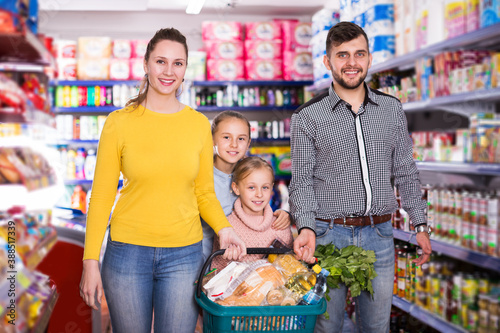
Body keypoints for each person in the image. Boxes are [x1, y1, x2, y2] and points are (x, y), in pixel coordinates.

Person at [79, 28, 246, 333]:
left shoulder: (197, 125)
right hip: (126, 253)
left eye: (178, 63)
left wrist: (225, 229)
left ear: (186, 68)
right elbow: (102, 195)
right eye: (161, 62)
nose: (169, 72)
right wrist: (90, 260)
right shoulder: (119, 122)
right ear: (146, 63)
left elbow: (204, 192)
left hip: (184, 255)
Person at [289, 22, 432, 333]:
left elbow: (406, 172)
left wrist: (419, 224)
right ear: (327, 62)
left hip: (379, 236)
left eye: (359, 54)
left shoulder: (391, 109)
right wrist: (305, 227)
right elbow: (301, 181)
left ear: (369, 59)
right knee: (327, 327)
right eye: (342, 55)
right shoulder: (306, 117)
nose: (351, 62)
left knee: (377, 327)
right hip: (327, 236)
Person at [202, 110, 291, 261]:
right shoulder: (201, 177)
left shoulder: (252, 175)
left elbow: (258, 210)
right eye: (226, 137)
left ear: (249, 142)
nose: (234, 144)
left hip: (241, 264)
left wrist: (281, 215)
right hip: (203, 261)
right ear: (212, 139)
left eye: (241, 138)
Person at [212, 156, 294, 271]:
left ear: (271, 189)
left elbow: (292, 270)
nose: (259, 194)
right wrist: (228, 258)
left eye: (265, 187)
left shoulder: (281, 226)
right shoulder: (227, 227)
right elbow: (216, 273)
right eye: (251, 187)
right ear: (236, 188)